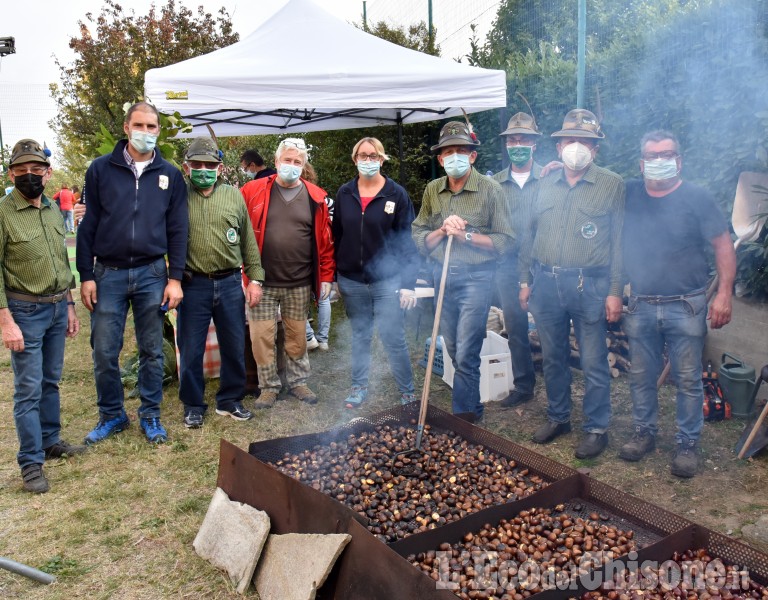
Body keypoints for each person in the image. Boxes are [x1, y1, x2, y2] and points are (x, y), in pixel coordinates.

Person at [619, 130, 736, 477]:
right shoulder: (628, 193)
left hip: (686, 304)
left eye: (666, 154)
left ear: (679, 160)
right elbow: (593, 185)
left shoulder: (698, 198)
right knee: (641, 376)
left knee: (687, 379)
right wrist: (552, 168)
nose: (659, 161)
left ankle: (687, 444)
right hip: (640, 302)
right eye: (651, 156)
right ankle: (644, 433)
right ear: (641, 163)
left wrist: (725, 293)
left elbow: (722, 245)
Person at [77, 101, 188, 444]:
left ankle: (150, 414)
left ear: (158, 130)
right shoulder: (99, 170)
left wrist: (175, 278)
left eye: (151, 126)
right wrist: (86, 275)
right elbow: (88, 224)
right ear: (126, 128)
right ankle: (112, 414)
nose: (145, 132)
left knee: (152, 350)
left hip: (152, 273)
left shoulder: (170, 174)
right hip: (107, 273)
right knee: (104, 351)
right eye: (138, 125)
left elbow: (178, 230)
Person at [519, 108, 624, 459]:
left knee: (593, 361)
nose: (576, 146)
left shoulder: (612, 184)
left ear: (595, 150)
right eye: (570, 140)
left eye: (585, 142)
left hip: (589, 286)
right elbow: (527, 235)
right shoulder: (544, 183)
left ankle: (596, 428)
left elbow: (619, 244)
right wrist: (524, 280)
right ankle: (559, 416)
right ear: (559, 144)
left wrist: (614, 292)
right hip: (546, 282)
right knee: (553, 357)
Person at [412, 121, 514, 423]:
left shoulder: (490, 190)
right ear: (440, 159)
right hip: (442, 276)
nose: (453, 157)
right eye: (447, 152)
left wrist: (465, 235)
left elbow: (504, 241)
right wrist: (443, 230)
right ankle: (474, 407)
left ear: (472, 156)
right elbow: (419, 238)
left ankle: (464, 422)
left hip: (476, 279)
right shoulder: (433, 190)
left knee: (467, 351)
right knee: (454, 349)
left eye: (460, 151)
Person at [0, 139, 84, 493]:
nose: (30, 176)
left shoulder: (52, 209)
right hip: (24, 311)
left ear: (47, 174)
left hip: (55, 307)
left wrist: (68, 305)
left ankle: (50, 441)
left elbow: (59, 262)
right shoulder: (3, 212)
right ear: (11, 173)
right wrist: (6, 320)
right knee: (28, 390)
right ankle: (31, 462)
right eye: (22, 171)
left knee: (50, 381)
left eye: (36, 170)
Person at [177, 137, 265, 428]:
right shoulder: (178, 195)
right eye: (197, 164)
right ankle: (192, 404)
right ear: (186, 167)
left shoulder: (233, 195)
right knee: (190, 348)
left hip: (229, 282)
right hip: (193, 283)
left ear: (220, 167)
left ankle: (230, 400)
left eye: (210, 165)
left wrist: (255, 279)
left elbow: (248, 240)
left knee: (234, 344)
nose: (204, 170)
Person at [240, 138, 335, 408]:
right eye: (287, 160)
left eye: (297, 162)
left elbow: (325, 242)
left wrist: (326, 275)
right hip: (262, 282)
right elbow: (241, 234)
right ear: (276, 162)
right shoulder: (252, 190)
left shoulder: (315, 197)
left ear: (303, 165)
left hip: (299, 282)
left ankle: (298, 382)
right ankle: (268, 386)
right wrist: (248, 277)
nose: (291, 166)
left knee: (296, 336)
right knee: (261, 337)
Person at [333, 137, 420, 408]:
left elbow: (408, 242)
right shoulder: (344, 193)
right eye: (362, 155)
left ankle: (407, 391)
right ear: (355, 159)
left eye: (373, 156)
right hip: (352, 280)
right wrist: (336, 276)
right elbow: (336, 236)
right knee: (359, 335)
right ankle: (358, 387)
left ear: (382, 160)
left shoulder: (396, 194)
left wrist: (408, 284)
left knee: (393, 336)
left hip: (387, 280)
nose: (367, 160)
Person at [492, 112, 542, 408]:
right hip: (508, 265)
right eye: (513, 139)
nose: (518, 143)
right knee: (516, 325)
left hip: (544, 264)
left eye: (524, 138)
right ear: (506, 144)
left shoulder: (550, 179)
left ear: (535, 143)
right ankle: (524, 384)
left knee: (552, 326)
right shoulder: (495, 184)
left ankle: (560, 383)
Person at [300, 162, 333, 352]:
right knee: (323, 298)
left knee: (298, 298)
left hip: (301, 256)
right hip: (321, 254)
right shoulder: (324, 198)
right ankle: (323, 339)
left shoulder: (293, 196)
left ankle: (309, 336)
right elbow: (329, 231)